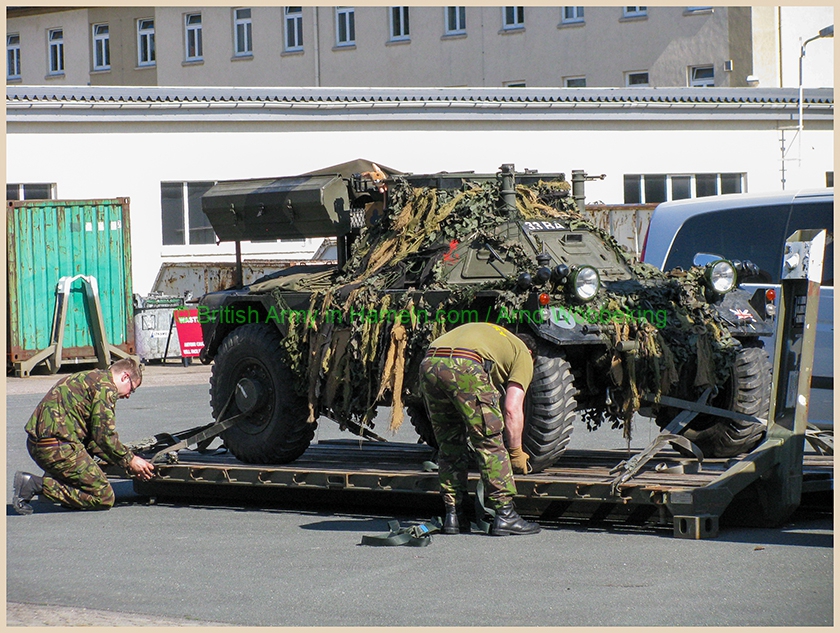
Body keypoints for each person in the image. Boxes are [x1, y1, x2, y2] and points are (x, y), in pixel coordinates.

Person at [419, 322, 540, 536]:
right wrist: (515, 452)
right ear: (531, 353)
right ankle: (505, 515)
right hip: (466, 364)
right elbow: (512, 408)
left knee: (449, 444)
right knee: (489, 441)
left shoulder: (493, 334)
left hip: (429, 362)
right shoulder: (522, 351)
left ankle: (454, 515)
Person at [12, 358, 156, 515]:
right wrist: (130, 460)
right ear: (125, 376)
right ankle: (36, 485)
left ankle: (58, 483)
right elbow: (104, 436)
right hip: (57, 448)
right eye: (132, 389)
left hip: (40, 445)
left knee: (88, 452)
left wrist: (124, 462)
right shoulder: (106, 388)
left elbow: (93, 439)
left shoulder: (89, 377)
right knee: (103, 496)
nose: (128, 395)